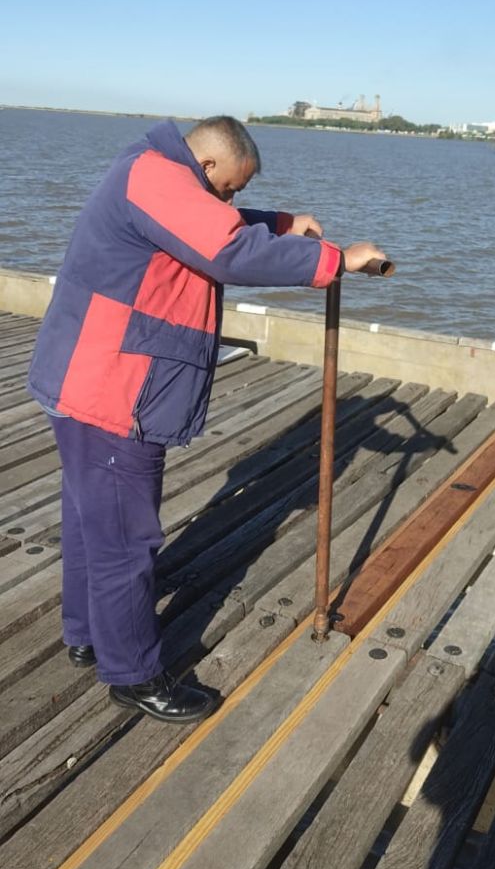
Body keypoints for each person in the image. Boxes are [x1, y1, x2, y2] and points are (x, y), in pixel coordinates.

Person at [28, 115, 386, 724]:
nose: (232, 200)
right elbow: (222, 246)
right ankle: (134, 674)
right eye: (232, 190)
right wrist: (335, 260)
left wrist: (277, 223)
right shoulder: (157, 178)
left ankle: (89, 633)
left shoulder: (156, 172)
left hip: (87, 377)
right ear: (210, 165)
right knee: (125, 539)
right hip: (112, 389)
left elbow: (206, 222)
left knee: (94, 521)